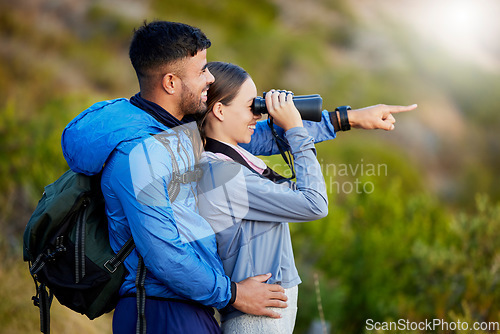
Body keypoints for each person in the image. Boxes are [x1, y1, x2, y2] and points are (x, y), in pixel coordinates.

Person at [61, 21, 289, 334]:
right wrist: (234, 294)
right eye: (202, 71)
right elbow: (164, 254)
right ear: (171, 82)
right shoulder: (140, 152)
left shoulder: (171, 131)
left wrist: (343, 119)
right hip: (159, 312)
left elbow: (240, 136)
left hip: (185, 307)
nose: (210, 78)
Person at [196, 61, 417, 333]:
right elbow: (315, 204)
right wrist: (295, 129)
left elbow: (265, 138)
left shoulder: (230, 159)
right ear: (219, 110)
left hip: (269, 310)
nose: (257, 114)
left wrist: (350, 118)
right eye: (250, 106)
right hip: (257, 317)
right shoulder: (222, 174)